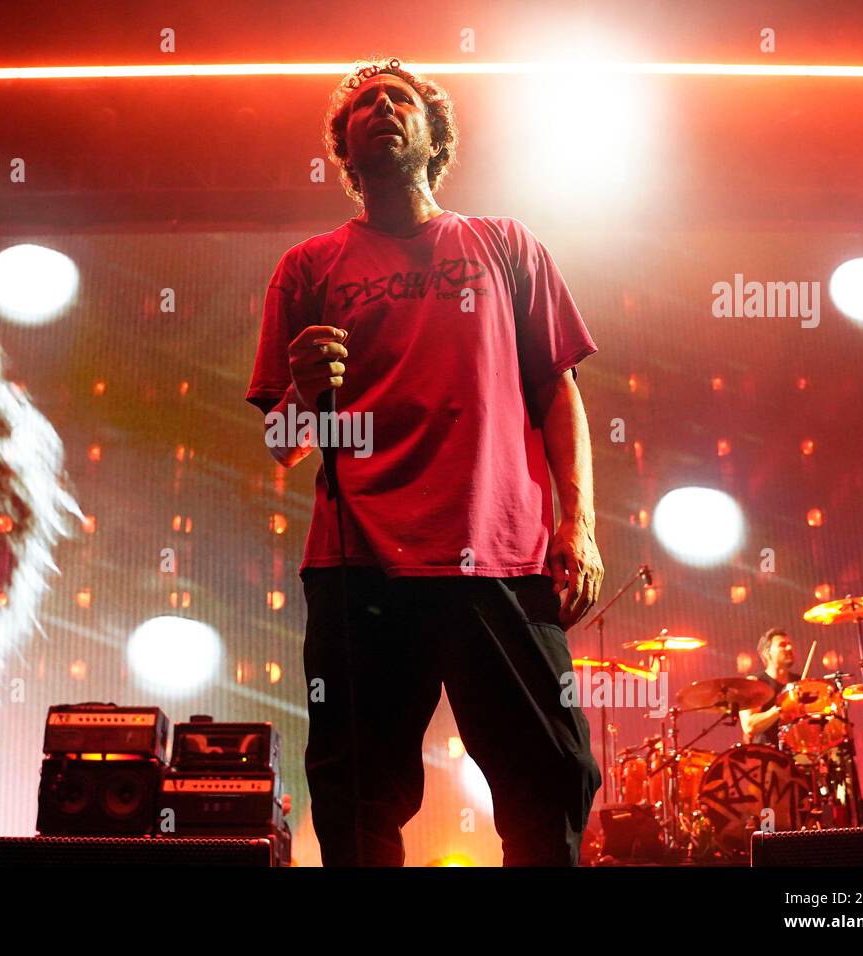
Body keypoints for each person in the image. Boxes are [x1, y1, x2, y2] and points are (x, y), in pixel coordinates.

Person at [246, 58, 603, 865]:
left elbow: (557, 391)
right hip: (357, 565)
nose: (380, 108)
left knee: (552, 777)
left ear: (433, 135)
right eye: (362, 104)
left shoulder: (505, 243)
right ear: (344, 148)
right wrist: (303, 394)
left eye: (398, 98)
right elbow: (284, 443)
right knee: (356, 796)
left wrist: (576, 528)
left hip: (500, 557)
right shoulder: (307, 268)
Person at [739, 628, 800, 746]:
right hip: (767, 756)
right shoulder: (755, 683)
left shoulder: (801, 682)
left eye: (790, 644)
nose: (789, 648)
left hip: (799, 753)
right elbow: (749, 726)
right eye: (782, 645)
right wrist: (781, 708)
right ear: (767, 653)